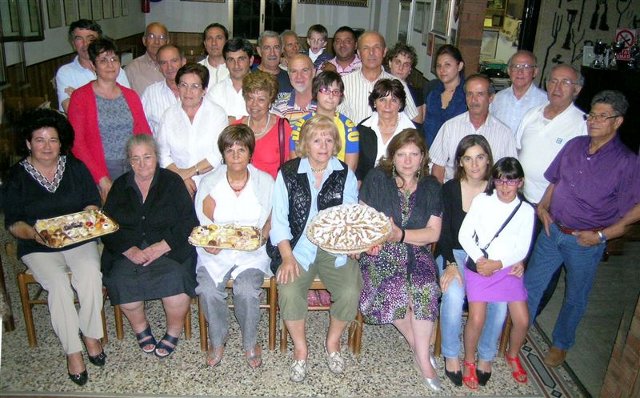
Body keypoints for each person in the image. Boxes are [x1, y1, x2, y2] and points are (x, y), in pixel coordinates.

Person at [524, 90, 638, 368]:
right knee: (530, 284)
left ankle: (561, 344)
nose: (594, 121)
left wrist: (603, 235)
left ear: (618, 122)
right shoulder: (574, 145)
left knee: (575, 295)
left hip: (586, 241)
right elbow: (555, 181)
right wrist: (541, 207)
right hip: (553, 231)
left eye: (602, 116)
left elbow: (636, 207)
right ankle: (518, 328)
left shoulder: (626, 161)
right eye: (591, 115)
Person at [3, 109, 106, 385]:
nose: (47, 146)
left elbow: (91, 202)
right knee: (59, 283)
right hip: (37, 245)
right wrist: (36, 234)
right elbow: (13, 223)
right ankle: (73, 351)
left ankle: (91, 334)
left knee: (90, 274)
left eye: (53, 140)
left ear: (61, 143)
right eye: (40, 140)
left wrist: (86, 217)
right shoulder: (16, 176)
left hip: (77, 239)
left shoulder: (75, 167)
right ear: (28, 143)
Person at [269, 114, 361, 382]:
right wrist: (286, 256)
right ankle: (300, 349)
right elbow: (279, 219)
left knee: (350, 290)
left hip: (334, 246)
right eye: (316, 139)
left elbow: (349, 217)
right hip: (298, 245)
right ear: (305, 144)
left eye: (328, 140)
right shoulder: (287, 172)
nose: (322, 145)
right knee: (288, 289)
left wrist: (353, 244)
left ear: (335, 145)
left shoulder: (345, 173)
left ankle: (332, 342)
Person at [358, 128, 443, 392]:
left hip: (416, 251)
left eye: (413, 154)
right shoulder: (376, 178)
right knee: (392, 288)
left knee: (424, 287)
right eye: (401, 154)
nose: (407, 160)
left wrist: (401, 235)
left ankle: (420, 351)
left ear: (422, 157)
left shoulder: (431, 186)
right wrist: (373, 241)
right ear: (392, 156)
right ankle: (422, 352)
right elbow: (364, 221)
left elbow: (433, 233)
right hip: (379, 252)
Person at [101, 135, 198, 359]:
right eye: (135, 159)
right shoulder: (120, 185)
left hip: (168, 249)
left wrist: (161, 247)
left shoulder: (172, 182)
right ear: (129, 161)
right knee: (120, 280)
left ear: (157, 157)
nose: (142, 164)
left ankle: (173, 331)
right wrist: (129, 250)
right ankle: (141, 328)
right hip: (129, 252)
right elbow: (107, 226)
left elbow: (188, 222)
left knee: (175, 281)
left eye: (147, 157)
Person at [194, 125, 274, 369]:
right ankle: (218, 339)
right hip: (216, 251)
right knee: (207, 290)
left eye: (242, 149)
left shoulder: (264, 181)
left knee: (247, 290)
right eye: (230, 150)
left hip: (252, 252)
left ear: (250, 153)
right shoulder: (210, 182)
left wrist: (261, 238)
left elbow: (271, 220)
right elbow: (205, 223)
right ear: (223, 154)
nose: (236, 155)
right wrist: (209, 243)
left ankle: (250, 342)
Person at [437, 135, 507, 387]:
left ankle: (486, 356)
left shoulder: (499, 190)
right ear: (460, 162)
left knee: (499, 303)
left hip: (487, 258)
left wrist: (507, 262)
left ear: (488, 159)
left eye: (479, 157)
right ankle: (451, 354)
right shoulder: (450, 189)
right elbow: (442, 232)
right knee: (453, 295)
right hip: (452, 253)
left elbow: (512, 230)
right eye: (468, 158)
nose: (474, 164)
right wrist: (450, 264)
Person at [458, 157, 535, 389]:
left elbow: (522, 247)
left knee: (522, 319)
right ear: (494, 181)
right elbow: (464, 234)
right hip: (480, 266)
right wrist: (481, 260)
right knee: (477, 318)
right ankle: (470, 360)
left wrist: (499, 264)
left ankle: (513, 354)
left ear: (520, 183)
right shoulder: (483, 201)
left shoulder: (525, 210)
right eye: (500, 181)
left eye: (511, 182)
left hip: (507, 268)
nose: (505, 186)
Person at [67, 37, 152, 202]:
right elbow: (77, 143)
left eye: (114, 59)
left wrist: (146, 166)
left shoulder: (130, 95)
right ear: (93, 65)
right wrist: (101, 178)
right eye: (103, 60)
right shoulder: (80, 97)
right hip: (98, 167)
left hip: (133, 165)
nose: (110, 65)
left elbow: (144, 134)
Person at [156, 63, 228, 197]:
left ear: (204, 90)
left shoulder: (217, 114)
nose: (188, 92)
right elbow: (162, 154)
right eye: (183, 85)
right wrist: (181, 177)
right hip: (177, 184)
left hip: (212, 185)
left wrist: (187, 173)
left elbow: (217, 154)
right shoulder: (169, 115)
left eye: (195, 86)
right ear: (177, 87)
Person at [430, 74, 516, 184]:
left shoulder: (504, 133)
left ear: (491, 97)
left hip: (487, 194)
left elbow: (509, 172)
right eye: (469, 94)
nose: (473, 99)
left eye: (480, 94)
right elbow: (437, 166)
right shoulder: (450, 127)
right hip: (453, 191)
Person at [338, 31, 417, 125]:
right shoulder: (344, 83)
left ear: (384, 52)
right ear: (358, 53)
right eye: (366, 48)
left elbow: (414, 121)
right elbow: (335, 119)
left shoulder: (399, 84)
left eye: (377, 47)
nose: (371, 53)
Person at [55, 19, 129, 113]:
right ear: (73, 44)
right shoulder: (65, 72)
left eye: (90, 39)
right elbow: (71, 110)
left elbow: (126, 106)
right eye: (79, 39)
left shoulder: (113, 69)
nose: (85, 44)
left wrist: (79, 96)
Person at [291, 71, 359, 171]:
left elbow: (350, 169)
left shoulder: (349, 127)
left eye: (336, 92)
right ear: (315, 92)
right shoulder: (301, 125)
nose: (331, 96)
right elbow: (295, 164)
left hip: (339, 180)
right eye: (325, 90)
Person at [355, 78, 416, 182]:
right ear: (374, 103)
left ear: (400, 104)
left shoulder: (414, 132)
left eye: (394, 100)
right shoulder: (362, 129)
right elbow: (358, 169)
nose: (387, 106)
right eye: (382, 100)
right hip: (368, 190)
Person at [234, 71, 292, 178]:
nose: (254, 104)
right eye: (250, 98)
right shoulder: (235, 128)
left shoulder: (282, 128)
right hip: (242, 191)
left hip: (273, 191)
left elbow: (290, 165)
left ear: (270, 101)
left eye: (261, 99)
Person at [490, 50, 547, 136]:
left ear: (535, 72)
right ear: (509, 71)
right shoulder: (497, 99)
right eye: (516, 66)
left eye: (526, 66)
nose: (520, 71)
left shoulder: (545, 101)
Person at [423, 44, 466, 148]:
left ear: (459, 66)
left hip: (456, 153)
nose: (442, 70)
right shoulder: (431, 89)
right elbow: (423, 121)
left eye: (447, 65)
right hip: (429, 153)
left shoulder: (467, 92)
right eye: (439, 65)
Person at [141, 44, 186, 135]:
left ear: (183, 62)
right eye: (163, 63)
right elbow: (141, 127)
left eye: (174, 61)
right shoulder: (150, 93)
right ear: (159, 67)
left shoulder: (197, 91)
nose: (169, 67)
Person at [207, 38, 255, 122]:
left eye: (241, 59)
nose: (236, 65)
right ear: (225, 63)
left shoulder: (263, 89)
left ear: (251, 61)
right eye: (231, 59)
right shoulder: (216, 92)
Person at [385, 42, 425, 126]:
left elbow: (417, 123)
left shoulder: (416, 93)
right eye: (397, 62)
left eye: (406, 65)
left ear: (410, 69)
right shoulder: (380, 86)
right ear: (390, 63)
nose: (401, 68)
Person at [125, 22, 169, 95]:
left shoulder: (174, 68)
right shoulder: (131, 69)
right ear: (144, 40)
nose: (157, 42)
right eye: (151, 37)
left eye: (161, 37)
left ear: (167, 42)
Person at [273, 54, 316, 123]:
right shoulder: (279, 107)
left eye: (304, 70)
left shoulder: (325, 103)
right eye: (294, 71)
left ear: (313, 72)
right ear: (288, 74)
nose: (299, 76)